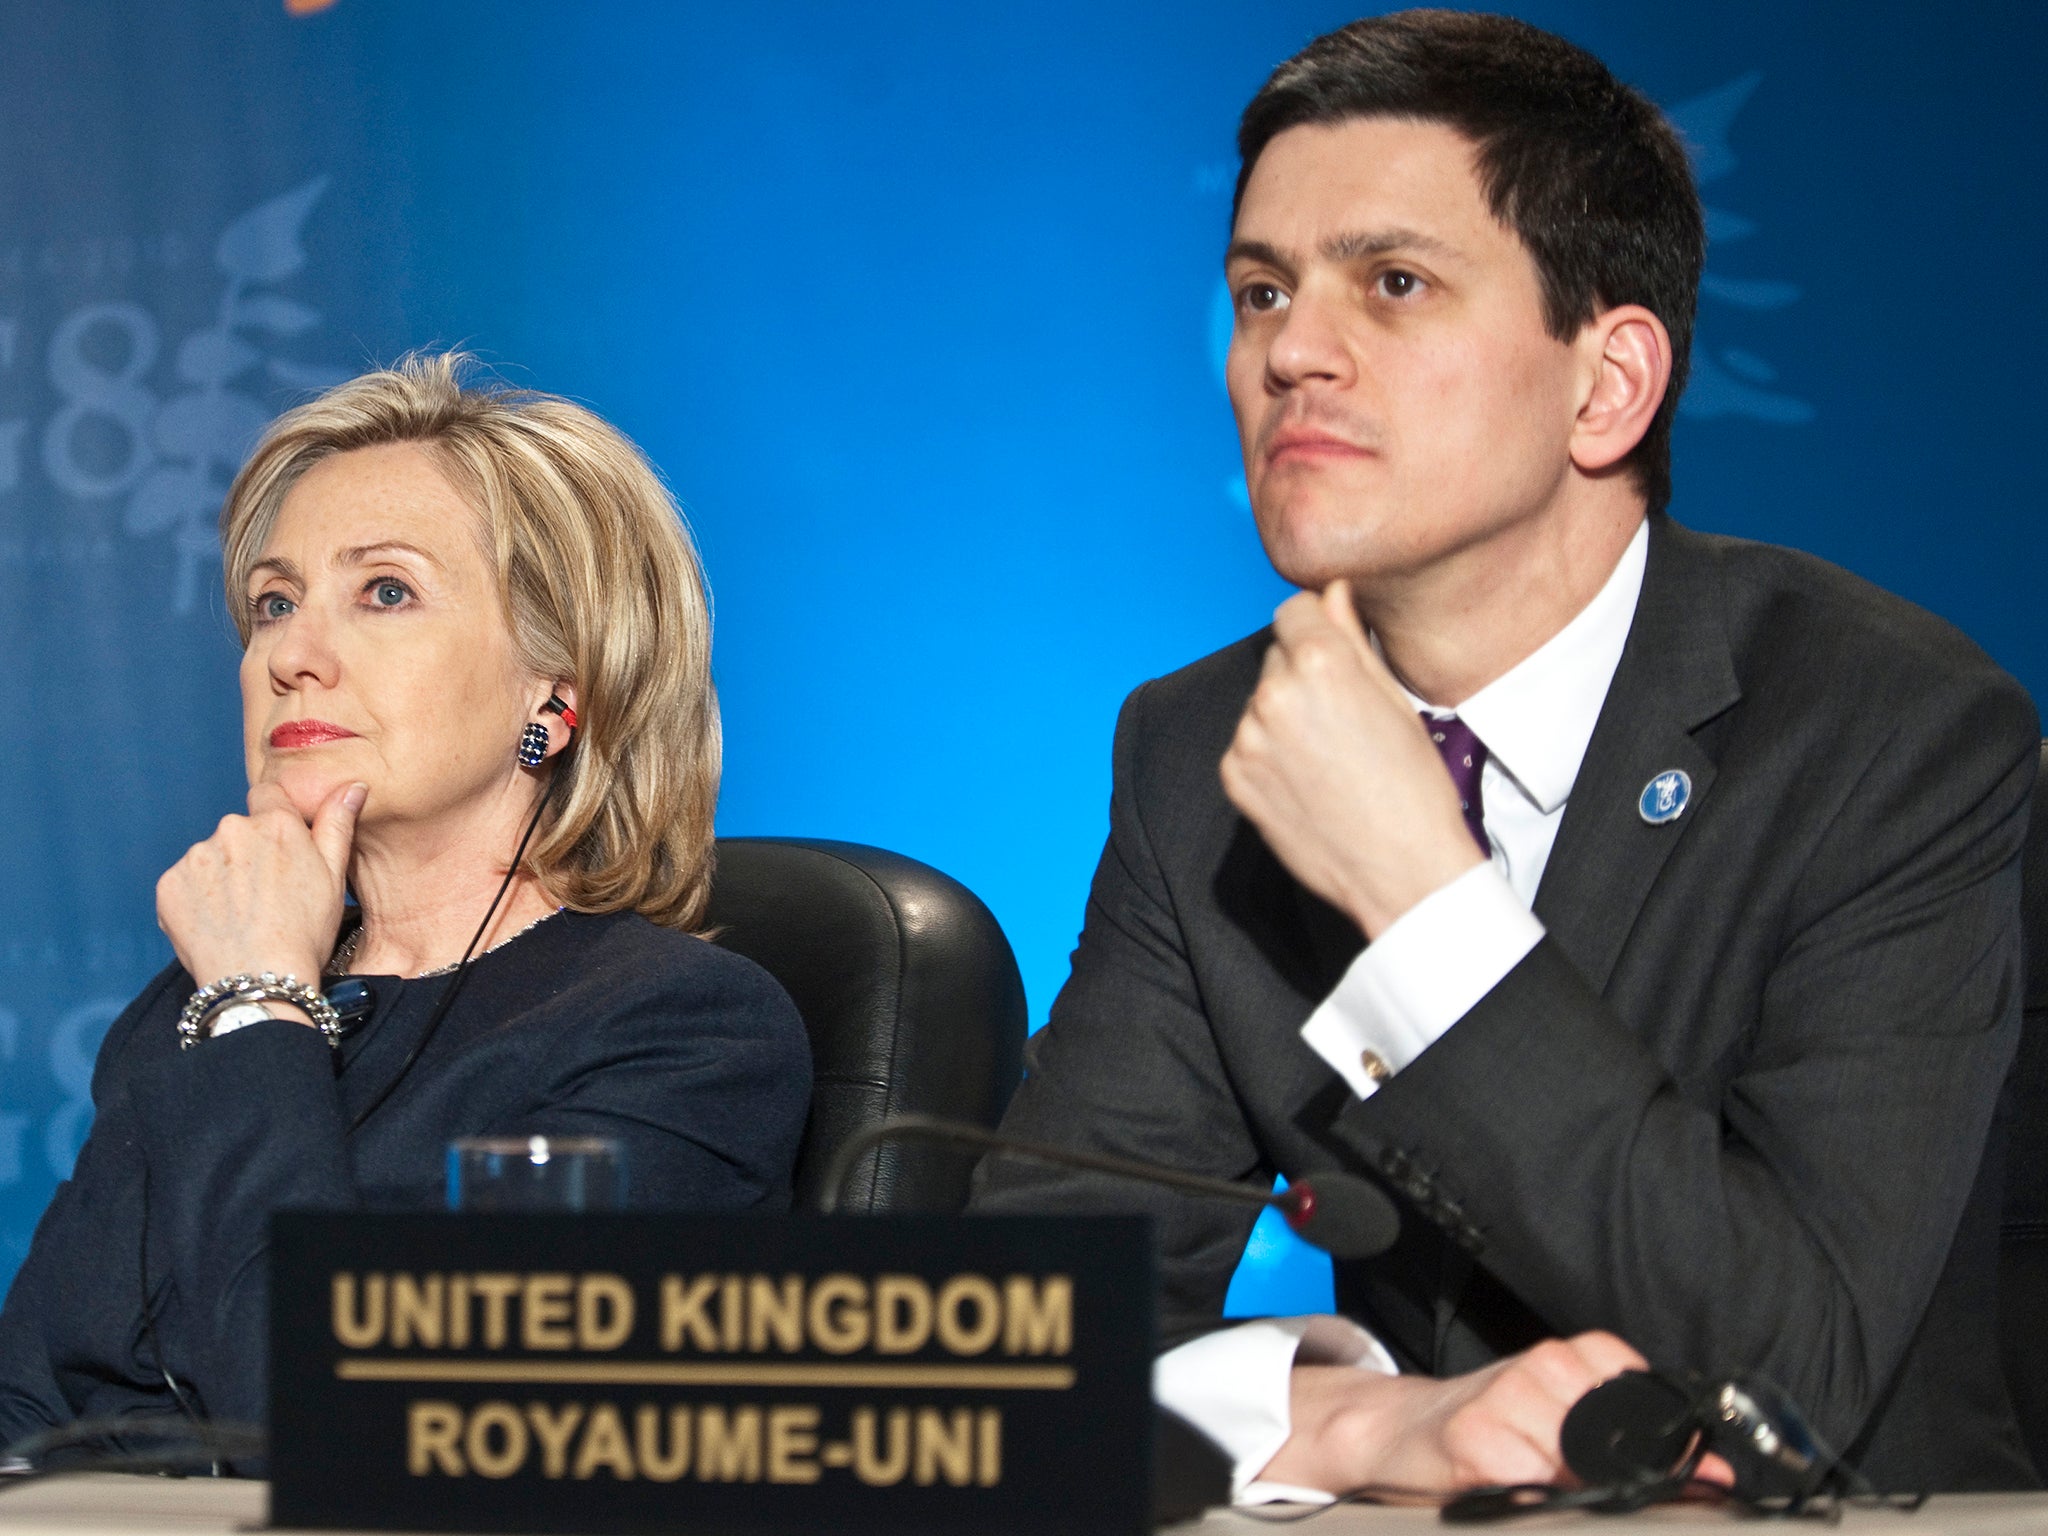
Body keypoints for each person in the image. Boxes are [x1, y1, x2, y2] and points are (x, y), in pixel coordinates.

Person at [974, 9, 2038, 1501]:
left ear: (1607, 385)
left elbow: (1792, 1367)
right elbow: (1013, 1338)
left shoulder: (1891, 730)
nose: (1293, 354)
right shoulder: (1195, 747)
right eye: (1261, 291)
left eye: (1391, 284)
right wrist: (1359, 1424)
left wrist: (1420, 901)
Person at [0, 355, 813, 1461]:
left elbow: (369, 1433)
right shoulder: (190, 1004)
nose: (291, 654)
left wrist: (258, 1005)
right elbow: (31, 1405)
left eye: (384, 592)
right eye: (273, 603)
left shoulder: (685, 1032)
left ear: (558, 693)